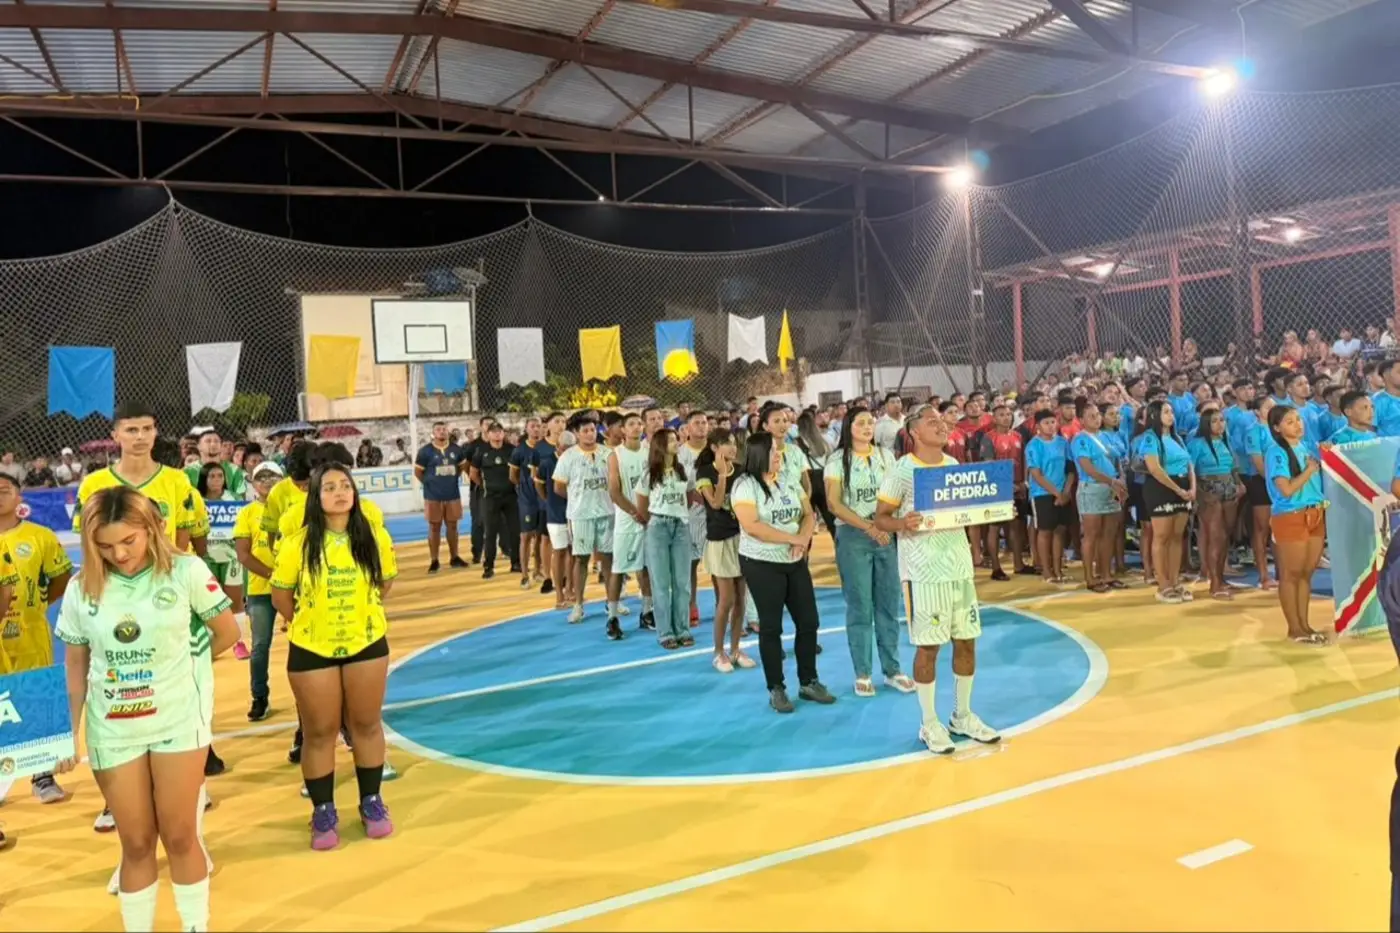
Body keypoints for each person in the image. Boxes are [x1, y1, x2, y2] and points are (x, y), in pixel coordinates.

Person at [56, 486, 239, 932]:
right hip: (113, 730)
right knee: (136, 844)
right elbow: (76, 663)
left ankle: (195, 926)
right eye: (105, 546)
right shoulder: (82, 588)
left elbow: (227, 632)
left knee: (180, 836)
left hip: (178, 721)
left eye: (128, 541)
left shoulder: (186, 571)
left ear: (152, 529)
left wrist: (185, 662)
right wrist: (67, 732)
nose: (119, 554)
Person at [271, 462, 399, 849]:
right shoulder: (296, 543)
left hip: (366, 644)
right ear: (315, 497)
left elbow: (384, 582)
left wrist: (361, 615)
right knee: (320, 732)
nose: (340, 493)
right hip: (312, 648)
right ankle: (323, 811)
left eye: (346, 485)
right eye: (329, 487)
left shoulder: (373, 536)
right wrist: (311, 623)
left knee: (366, 725)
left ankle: (371, 801)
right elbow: (281, 596)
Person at [874, 404, 999, 754]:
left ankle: (962, 715)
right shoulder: (902, 471)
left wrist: (996, 508)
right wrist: (903, 523)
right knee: (928, 647)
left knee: (967, 641)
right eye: (932, 422)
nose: (942, 426)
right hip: (923, 570)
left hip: (958, 566)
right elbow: (880, 518)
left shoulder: (953, 465)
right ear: (914, 432)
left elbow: (967, 511)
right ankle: (929, 722)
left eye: (942, 422)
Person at [732, 429, 831, 713]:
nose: (779, 455)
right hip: (761, 563)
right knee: (771, 626)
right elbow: (752, 526)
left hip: (794, 560)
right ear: (759, 455)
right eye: (774, 451)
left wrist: (803, 538)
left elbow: (808, 514)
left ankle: (809, 681)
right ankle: (776, 687)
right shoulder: (744, 485)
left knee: (809, 621)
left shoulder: (787, 478)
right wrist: (793, 539)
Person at [825, 408, 913, 697]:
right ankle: (862, 673)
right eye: (860, 423)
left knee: (888, 604)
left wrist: (893, 523)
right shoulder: (837, 460)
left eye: (870, 423)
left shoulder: (886, 456)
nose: (867, 427)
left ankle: (892, 670)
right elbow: (834, 504)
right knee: (860, 606)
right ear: (848, 427)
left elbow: (898, 494)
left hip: (885, 535)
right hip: (854, 536)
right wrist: (868, 527)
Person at [0, 471, 73, 804]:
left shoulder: (40, 536)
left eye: (5, 490)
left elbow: (61, 577)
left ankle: (42, 774)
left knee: (35, 698)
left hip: (29, 632)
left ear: (19, 498)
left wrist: (40, 604)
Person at [1265, 406, 1329, 644]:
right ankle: (1294, 628)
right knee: (1291, 574)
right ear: (1277, 428)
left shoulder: (1305, 448)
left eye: (1298, 419)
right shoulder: (1276, 452)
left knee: (1306, 574)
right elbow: (1286, 489)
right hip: (1291, 514)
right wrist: (1310, 470)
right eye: (1290, 422)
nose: (1298, 424)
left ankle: (1305, 624)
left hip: (1315, 513)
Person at [694, 428, 753, 673]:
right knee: (726, 600)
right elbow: (716, 503)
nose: (733, 447)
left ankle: (736, 649)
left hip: (742, 538)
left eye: (733, 443)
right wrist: (721, 475)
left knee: (741, 600)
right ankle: (718, 652)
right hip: (719, 540)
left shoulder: (741, 470)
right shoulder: (705, 472)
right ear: (714, 448)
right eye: (727, 443)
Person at [233, 462, 284, 722]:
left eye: (272, 476)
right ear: (252, 483)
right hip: (261, 590)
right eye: (261, 477)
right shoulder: (247, 513)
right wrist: (274, 576)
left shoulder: (293, 509)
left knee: (305, 645)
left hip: (294, 588)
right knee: (260, 646)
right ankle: (259, 696)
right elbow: (243, 554)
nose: (267, 482)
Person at [636, 428, 693, 650]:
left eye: (675, 439)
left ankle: (683, 629)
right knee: (660, 583)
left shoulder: (682, 470)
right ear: (660, 445)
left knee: (682, 582)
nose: (676, 442)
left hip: (681, 526)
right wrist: (654, 522)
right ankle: (665, 632)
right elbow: (642, 506)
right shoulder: (649, 474)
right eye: (670, 440)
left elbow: (688, 497)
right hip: (658, 526)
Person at [554, 417, 614, 627]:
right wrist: (577, 499)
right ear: (577, 434)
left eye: (593, 430)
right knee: (581, 559)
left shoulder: (608, 453)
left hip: (606, 512)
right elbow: (559, 487)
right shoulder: (568, 456)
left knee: (608, 559)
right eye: (585, 430)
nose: (590, 434)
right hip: (580, 515)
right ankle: (578, 604)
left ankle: (612, 602)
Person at [1140, 400, 1196, 604]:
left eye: (1171, 411)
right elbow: (1154, 468)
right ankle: (1163, 584)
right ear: (1155, 415)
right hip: (1161, 488)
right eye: (1166, 412)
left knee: (1176, 536)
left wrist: (1192, 488)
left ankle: (1175, 581)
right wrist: (1177, 489)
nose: (1171, 415)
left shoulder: (1177, 438)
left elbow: (1189, 464)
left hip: (1182, 487)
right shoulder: (1150, 437)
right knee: (1162, 536)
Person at [1069, 400, 1126, 593]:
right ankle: (1090, 577)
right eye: (1091, 416)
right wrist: (1111, 481)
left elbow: (1117, 460)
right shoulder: (1080, 440)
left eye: (1097, 415)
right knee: (1091, 535)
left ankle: (1106, 574)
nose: (1096, 419)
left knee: (1109, 534)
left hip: (1112, 488)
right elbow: (1087, 468)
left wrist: (1119, 481)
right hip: (1092, 488)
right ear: (1081, 420)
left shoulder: (1106, 436)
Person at [606, 412, 654, 639]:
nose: (637, 427)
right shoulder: (615, 455)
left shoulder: (650, 452)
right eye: (631, 424)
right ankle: (612, 617)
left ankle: (647, 611)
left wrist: (648, 513)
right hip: (627, 519)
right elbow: (614, 492)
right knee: (619, 568)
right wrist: (635, 512)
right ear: (623, 430)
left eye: (639, 424)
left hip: (649, 518)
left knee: (646, 567)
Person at [196, 462, 248, 659]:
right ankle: (211, 642)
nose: (217, 480)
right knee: (210, 603)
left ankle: (239, 643)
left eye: (220, 476)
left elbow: (243, 525)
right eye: (212, 476)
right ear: (204, 479)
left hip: (231, 557)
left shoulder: (234, 499)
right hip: (206, 557)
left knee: (235, 602)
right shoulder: (197, 500)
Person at [1188, 408, 1241, 601]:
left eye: (1222, 420)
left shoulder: (1226, 440)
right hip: (1208, 488)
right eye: (1215, 421)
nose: (1220, 424)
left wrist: (1239, 484)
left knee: (1225, 537)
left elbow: (1233, 467)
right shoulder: (1196, 443)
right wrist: (1197, 493)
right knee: (1215, 537)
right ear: (1206, 424)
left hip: (1229, 487)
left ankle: (1220, 578)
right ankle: (1214, 583)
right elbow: (1190, 470)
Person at [978, 402, 1031, 580]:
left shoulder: (1017, 436)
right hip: (997, 489)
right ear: (994, 418)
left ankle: (1019, 564)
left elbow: (1023, 460)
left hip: (1018, 487)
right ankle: (996, 568)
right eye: (1001, 415)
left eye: (1008, 414)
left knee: (1016, 526)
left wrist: (1023, 482)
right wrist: (1005, 485)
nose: (1006, 417)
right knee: (995, 527)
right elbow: (989, 466)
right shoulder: (988, 438)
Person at [1025, 411, 1072, 587]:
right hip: (1042, 493)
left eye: (1053, 422)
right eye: (1046, 423)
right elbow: (1037, 474)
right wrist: (1057, 494)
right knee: (1045, 531)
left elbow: (1070, 469)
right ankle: (1046, 570)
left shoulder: (1063, 442)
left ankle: (1058, 569)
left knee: (1060, 531)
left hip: (1063, 492)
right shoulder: (1033, 445)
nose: (1051, 426)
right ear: (1038, 426)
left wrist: (1066, 492)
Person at [413, 421, 467, 573]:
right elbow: (418, 472)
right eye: (438, 429)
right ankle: (434, 560)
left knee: (453, 526)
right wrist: (430, 484)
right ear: (433, 433)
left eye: (444, 429)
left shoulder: (456, 450)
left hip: (452, 494)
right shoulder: (425, 451)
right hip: (433, 496)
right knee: (434, 527)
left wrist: (450, 480)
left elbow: (461, 468)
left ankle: (454, 557)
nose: (442, 432)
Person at [471, 422, 521, 580]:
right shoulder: (481, 451)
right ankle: (489, 566)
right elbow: (473, 473)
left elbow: (518, 471)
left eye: (500, 431)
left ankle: (516, 562)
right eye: (493, 432)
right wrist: (485, 486)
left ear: (503, 433)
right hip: (490, 497)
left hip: (511, 496)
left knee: (514, 531)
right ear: (488, 434)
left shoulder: (512, 450)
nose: (497, 434)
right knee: (490, 533)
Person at [677, 410, 711, 629]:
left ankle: (725, 606)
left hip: (716, 514)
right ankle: (691, 605)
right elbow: (678, 485)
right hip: (690, 515)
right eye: (697, 423)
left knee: (720, 564)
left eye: (704, 422)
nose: (701, 426)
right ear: (687, 428)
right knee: (690, 563)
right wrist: (696, 495)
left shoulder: (715, 450)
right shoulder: (679, 454)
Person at [536, 427, 574, 611]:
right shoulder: (547, 463)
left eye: (570, 448)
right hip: (556, 514)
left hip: (575, 514)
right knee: (559, 552)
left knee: (574, 552)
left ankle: (570, 590)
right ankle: (559, 593)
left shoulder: (577, 460)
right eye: (564, 448)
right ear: (558, 446)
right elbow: (539, 486)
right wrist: (548, 501)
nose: (567, 452)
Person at [1243, 397, 1278, 591]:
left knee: (1278, 528)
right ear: (1257, 412)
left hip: (1280, 481)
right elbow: (1258, 463)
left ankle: (1281, 572)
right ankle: (1263, 575)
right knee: (1262, 529)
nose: (1272, 410)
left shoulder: (1278, 428)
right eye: (1268, 407)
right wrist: (1273, 483)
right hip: (1261, 481)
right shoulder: (1253, 432)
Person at [510, 417, 546, 591]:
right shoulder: (519, 451)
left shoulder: (545, 449)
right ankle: (524, 575)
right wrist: (524, 488)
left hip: (543, 498)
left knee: (540, 536)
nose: (536, 429)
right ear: (526, 429)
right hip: (527, 499)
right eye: (533, 426)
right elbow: (513, 476)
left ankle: (538, 570)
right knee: (526, 536)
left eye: (539, 426)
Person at [184, 429, 245, 499]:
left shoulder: (234, 470)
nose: (213, 444)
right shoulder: (188, 471)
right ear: (198, 446)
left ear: (221, 446)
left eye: (216, 441)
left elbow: (241, 498)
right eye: (208, 441)